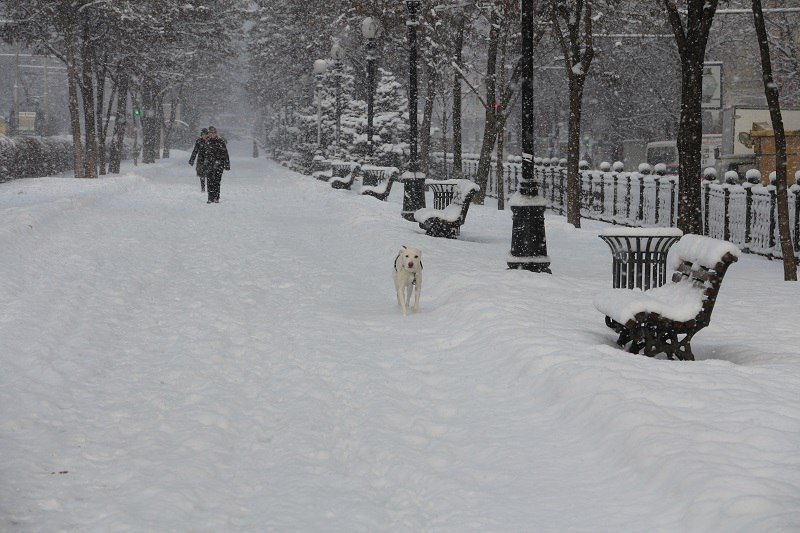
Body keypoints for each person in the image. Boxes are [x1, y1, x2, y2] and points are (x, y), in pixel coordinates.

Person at [200, 126, 230, 203]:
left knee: (217, 182)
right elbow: (203, 154)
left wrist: (226, 165)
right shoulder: (207, 142)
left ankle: (216, 197)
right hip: (209, 165)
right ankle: (210, 197)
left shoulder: (220, 141)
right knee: (210, 182)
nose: (212, 134)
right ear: (209, 134)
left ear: (216, 133)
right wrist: (203, 164)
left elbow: (225, 153)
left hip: (219, 165)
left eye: (213, 133)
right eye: (211, 133)